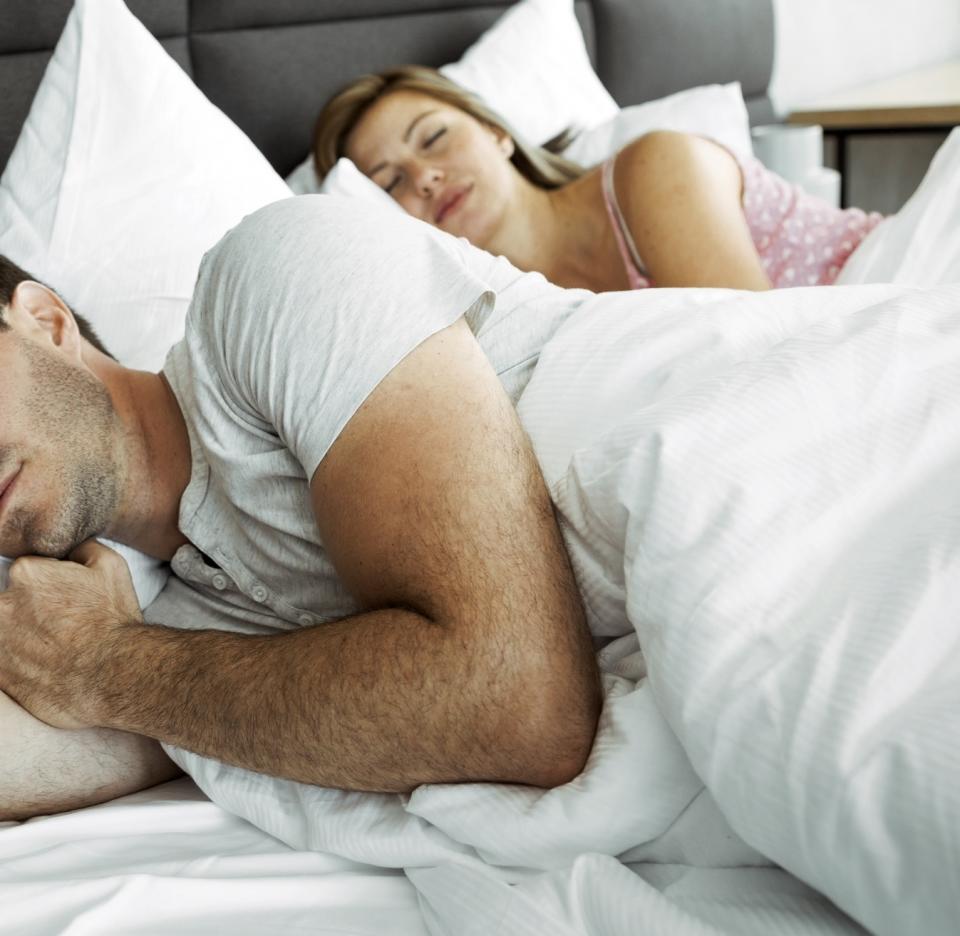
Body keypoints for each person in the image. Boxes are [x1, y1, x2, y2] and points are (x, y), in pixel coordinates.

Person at [0, 194, 603, 820]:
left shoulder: (271, 280)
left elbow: (523, 702)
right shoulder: (173, 624)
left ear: (46, 322)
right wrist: (104, 662)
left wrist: (105, 667)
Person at [312, 66, 884, 292]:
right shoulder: (496, 329)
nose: (427, 178)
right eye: (389, 183)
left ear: (496, 132)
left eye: (433, 138)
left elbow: (756, 354)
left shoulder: (654, 171)